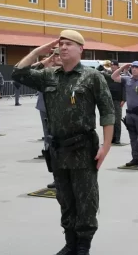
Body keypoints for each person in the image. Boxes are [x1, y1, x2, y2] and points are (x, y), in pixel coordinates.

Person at [11, 29, 115, 255]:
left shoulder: (92, 77)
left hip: (83, 148)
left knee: (86, 200)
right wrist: (40, 51)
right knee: (65, 199)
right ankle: (70, 244)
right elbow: (18, 73)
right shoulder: (50, 76)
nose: (64, 47)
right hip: (58, 149)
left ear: (81, 49)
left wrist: (106, 146)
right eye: (61, 44)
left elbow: (108, 112)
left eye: (70, 43)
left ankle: (83, 247)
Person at [32, 48, 63, 189]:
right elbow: (27, 71)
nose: (57, 57)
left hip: (61, 111)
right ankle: (57, 177)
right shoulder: (45, 71)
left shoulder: (66, 72)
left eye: (59, 55)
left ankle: (66, 177)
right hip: (44, 108)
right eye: (55, 55)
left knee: (62, 144)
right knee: (49, 143)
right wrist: (47, 60)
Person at [101, 60, 126, 144]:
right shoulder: (108, 75)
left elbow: (124, 88)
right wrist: (103, 65)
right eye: (111, 65)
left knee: (117, 120)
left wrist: (124, 99)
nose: (112, 67)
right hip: (109, 99)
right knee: (110, 120)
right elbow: (98, 71)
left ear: (117, 66)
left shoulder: (121, 76)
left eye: (114, 65)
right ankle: (111, 138)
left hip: (118, 100)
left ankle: (117, 138)